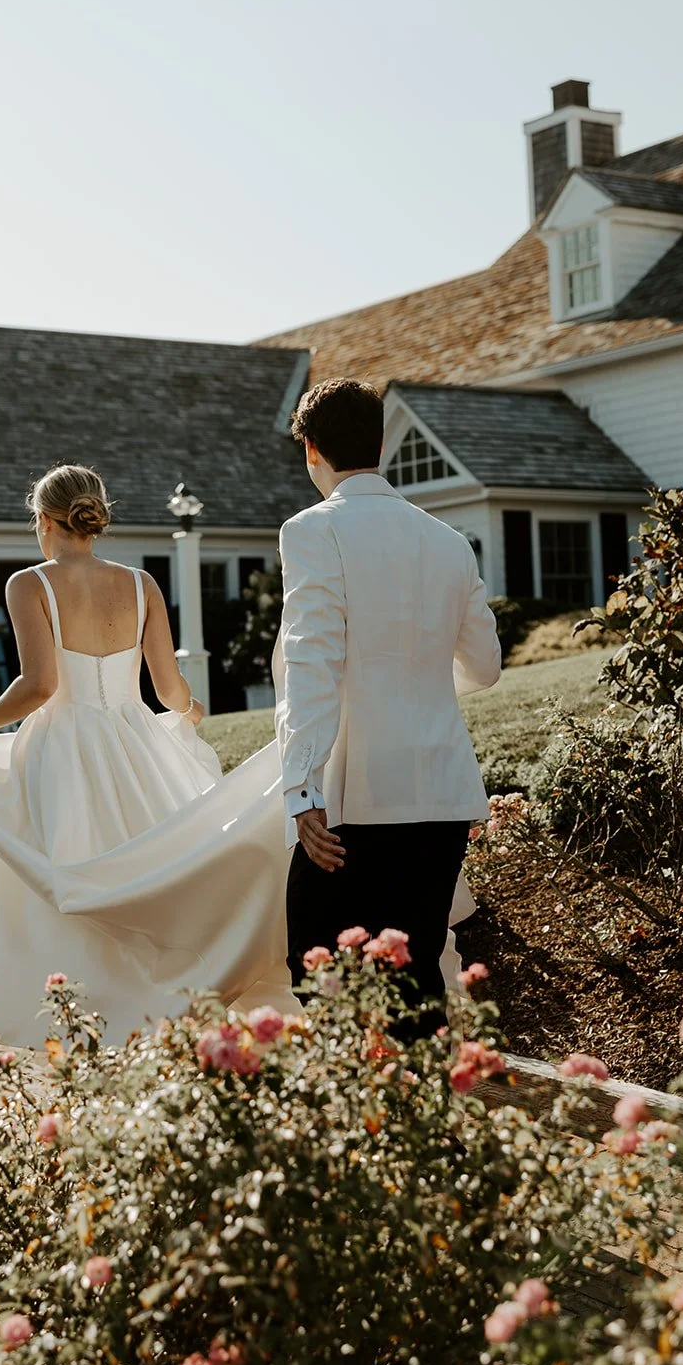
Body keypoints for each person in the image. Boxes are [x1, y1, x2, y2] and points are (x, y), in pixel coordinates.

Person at [0, 464, 299, 1046]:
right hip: (137, 744)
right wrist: (188, 713)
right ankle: (162, 1007)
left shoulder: (28, 585)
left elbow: (39, 686)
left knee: (71, 877)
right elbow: (168, 689)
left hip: (61, 750)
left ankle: (87, 1016)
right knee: (145, 873)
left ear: (43, 520)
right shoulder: (142, 584)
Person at [277, 378, 502, 1038]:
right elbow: (483, 670)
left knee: (313, 966)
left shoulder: (312, 532)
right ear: (380, 444)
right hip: (439, 789)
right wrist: (414, 681)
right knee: (418, 976)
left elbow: (309, 666)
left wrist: (301, 789)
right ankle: (422, 1122)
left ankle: (360, 1121)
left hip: (359, 795)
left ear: (311, 450)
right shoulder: (449, 541)